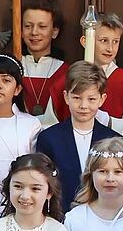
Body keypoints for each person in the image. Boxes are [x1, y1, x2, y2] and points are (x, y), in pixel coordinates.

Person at [37, 61, 117, 208]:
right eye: (77, 98)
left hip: (103, 215)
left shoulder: (113, 140)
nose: (83, 106)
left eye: (91, 99)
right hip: (60, 215)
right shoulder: (49, 138)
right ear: (66, 97)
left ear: (102, 99)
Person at [49, 13, 123, 133]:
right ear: (85, 41)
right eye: (104, 40)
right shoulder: (66, 81)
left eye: (115, 41)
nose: (110, 48)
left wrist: (108, 121)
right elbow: (49, 125)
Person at [20, 0, 69, 127]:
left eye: (42, 26)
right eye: (28, 26)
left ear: (54, 31)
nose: (34, 32)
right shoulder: (10, 68)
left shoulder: (67, 73)